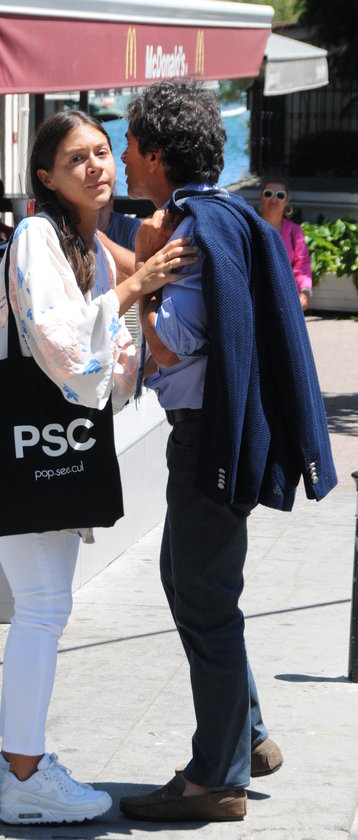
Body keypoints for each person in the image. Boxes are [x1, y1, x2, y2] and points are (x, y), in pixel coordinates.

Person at [0, 109, 197, 826]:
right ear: (46, 178)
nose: (96, 166)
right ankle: (26, 776)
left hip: (44, 445)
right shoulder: (37, 235)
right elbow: (60, 343)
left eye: (102, 151)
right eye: (76, 159)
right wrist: (134, 286)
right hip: (29, 446)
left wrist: (134, 288)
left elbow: (108, 361)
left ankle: (15, 761)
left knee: (43, 605)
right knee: (43, 606)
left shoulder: (85, 242)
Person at [117, 78, 337, 823]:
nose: (121, 158)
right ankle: (251, 736)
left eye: (128, 145)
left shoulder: (185, 230)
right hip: (225, 433)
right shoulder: (228, 214)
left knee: (205, 600)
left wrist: (145, 277)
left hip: (208, 438)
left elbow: (174, 345)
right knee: (187, 581)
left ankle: (216, 778)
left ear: (155, 153)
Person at [259, 177, 313, 311]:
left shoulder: (295, 232)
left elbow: (302, 265)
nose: (273, 199)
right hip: (254, 301)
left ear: (287, 200)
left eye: (280, 195)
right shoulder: (247, 227)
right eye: (268, 193)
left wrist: (305, 291)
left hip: (285, 303)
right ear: (261, 197)